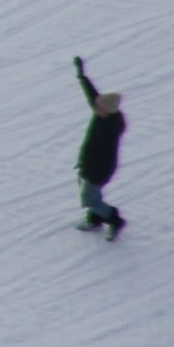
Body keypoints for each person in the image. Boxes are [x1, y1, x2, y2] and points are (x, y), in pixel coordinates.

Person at [73, 57, 127, 239]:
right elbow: (93, 97)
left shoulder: (111, 128)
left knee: (89, 198)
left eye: (98, 107)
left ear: (107, 111)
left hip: (99, 168)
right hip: (89, 165)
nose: (95, 108)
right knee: (93, 195)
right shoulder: (103, 113)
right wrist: (82, 76)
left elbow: (100, 154)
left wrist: (86, 168)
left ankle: (114, 219)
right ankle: (94, 220)